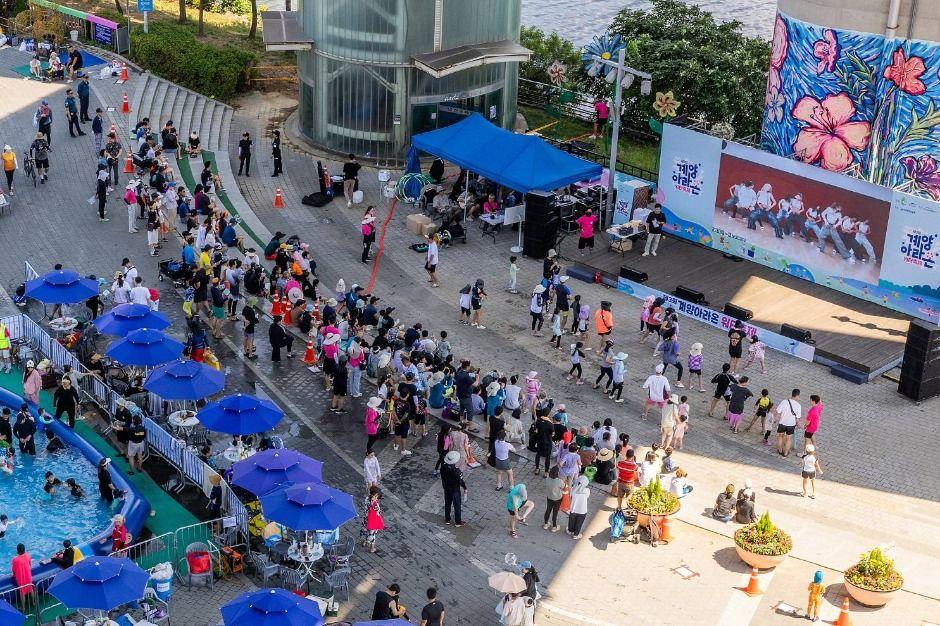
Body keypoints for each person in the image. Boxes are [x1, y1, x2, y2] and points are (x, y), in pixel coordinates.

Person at [440, 450, 467, 526]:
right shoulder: (456, 471)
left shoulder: (443, 467)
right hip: (455, 490)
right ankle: (458, 522)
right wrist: (465, 488)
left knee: (447, 504)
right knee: (457, 505)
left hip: (446, 488)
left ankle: (447, 519)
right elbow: (460, 481)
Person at [774, 388, 801, 457]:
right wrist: (799, 425)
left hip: (782, 423)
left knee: (780, 436)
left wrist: (775, 419)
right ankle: (785, 453)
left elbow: (777, 412)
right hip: (791, 425)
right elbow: (797, 418)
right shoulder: (798, 406)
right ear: (797, 396)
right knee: (788, 439)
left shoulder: (784, 402)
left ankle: (780, 450)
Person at [566, 475, 590, 539]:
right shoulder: (587, 490)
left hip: (573, 509)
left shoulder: (573, 489)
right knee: (579, 523)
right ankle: (576, 535)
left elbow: (570, 496)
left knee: (571, 520)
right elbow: (587, 497)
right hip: (582, 510)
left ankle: (570, 530)